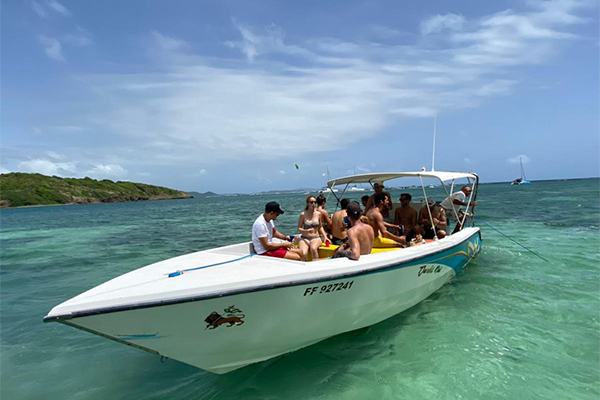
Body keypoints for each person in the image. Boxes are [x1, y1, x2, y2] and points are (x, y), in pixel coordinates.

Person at [298, 196, 327, 261]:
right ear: (308, 203)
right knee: (304, 253)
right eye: (311, 202)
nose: (313, 204)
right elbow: (299, 228)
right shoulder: (303, 214)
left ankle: (316, 266)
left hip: (315, 237)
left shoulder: (318, 214)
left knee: (313, 249)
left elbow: (320, 227)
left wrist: (325, 236)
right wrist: (306, 230)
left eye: (315, 202)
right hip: (305, 238)